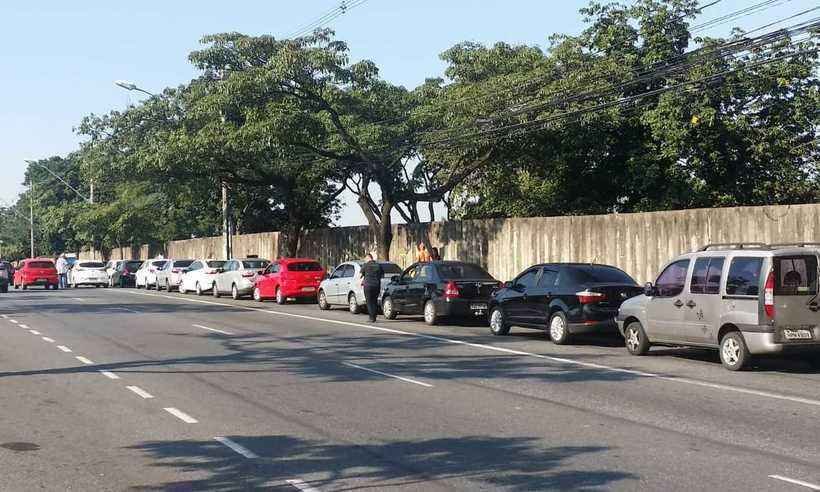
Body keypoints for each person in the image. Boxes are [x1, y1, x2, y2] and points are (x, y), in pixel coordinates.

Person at [359, 253, 384, 323]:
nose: (365, 260)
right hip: (376, 285)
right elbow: (382, 275)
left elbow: (360, 275)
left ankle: (371, 317)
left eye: (365, 259)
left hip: (368, 285)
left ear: (367, 258)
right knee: (375, 301)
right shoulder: (378, 265)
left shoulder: (365, 265)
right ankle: (374, 316)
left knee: (369, 302)